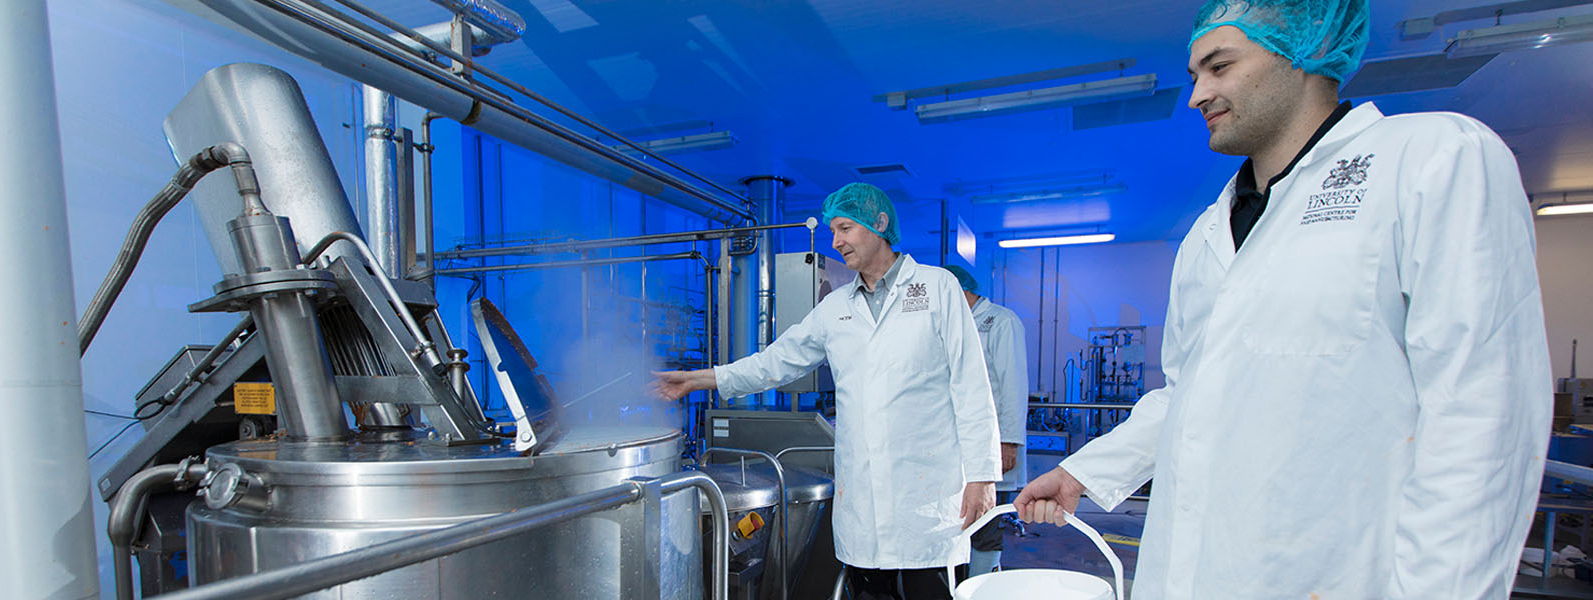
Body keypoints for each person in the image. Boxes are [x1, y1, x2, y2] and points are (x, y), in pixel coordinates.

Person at [1015, 1, 1552, 597]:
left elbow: (1480, 416)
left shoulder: (1430, 159)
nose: (1198, 95)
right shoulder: (1206, 233)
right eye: (1195, 75)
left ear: (1304, 53)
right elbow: (1185, 396)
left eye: (1219, 67)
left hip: (1337, 574)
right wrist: (1082, 472)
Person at [653, 183, 1001, 599]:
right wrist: (696, 379)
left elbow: (971, 384)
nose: (836, 242)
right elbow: (774, 363)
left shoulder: (937, 288)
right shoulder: (836, 307)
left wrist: (982, 476)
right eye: (834, 231)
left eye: (845, 229)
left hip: (926, 497)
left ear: (879, 225)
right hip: (863, 505)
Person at [943, 265, 1029, 577]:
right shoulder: (958, 323)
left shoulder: (1001, 322)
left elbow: (1013, 385)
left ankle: (981, 586)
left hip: (993, 441)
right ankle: (964, 583)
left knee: (986, 521)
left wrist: (1008, 441)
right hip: (960, 446)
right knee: (965, 520)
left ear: (957, 290)